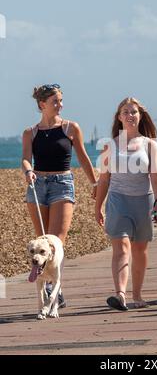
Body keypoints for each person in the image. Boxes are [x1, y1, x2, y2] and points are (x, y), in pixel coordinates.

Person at [22, 83, 98, 307]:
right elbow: (26, 158)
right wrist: (28, 170)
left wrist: (94, 182)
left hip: (62, 184)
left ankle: (55, 287)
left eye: (61, 101)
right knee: (41, 240)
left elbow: (83, 157)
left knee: (56, 242)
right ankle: (47, 285)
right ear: (42, 104)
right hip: (37, 185)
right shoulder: (30, 132)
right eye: (55, 101)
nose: (60, 105)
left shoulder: (70, 128)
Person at [95, 97, 157, 311]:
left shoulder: (150, 144)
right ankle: (120, 295)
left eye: (133, 112)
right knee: (122, 246)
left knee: (140, 249)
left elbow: (156, 176)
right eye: (125, 112)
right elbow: (104, 179)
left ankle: (137, 294)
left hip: (144, 200)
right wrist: (97, 206)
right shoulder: (110, 145)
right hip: (118, 200)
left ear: (140, 116)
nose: (130, 115)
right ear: (119, 117)